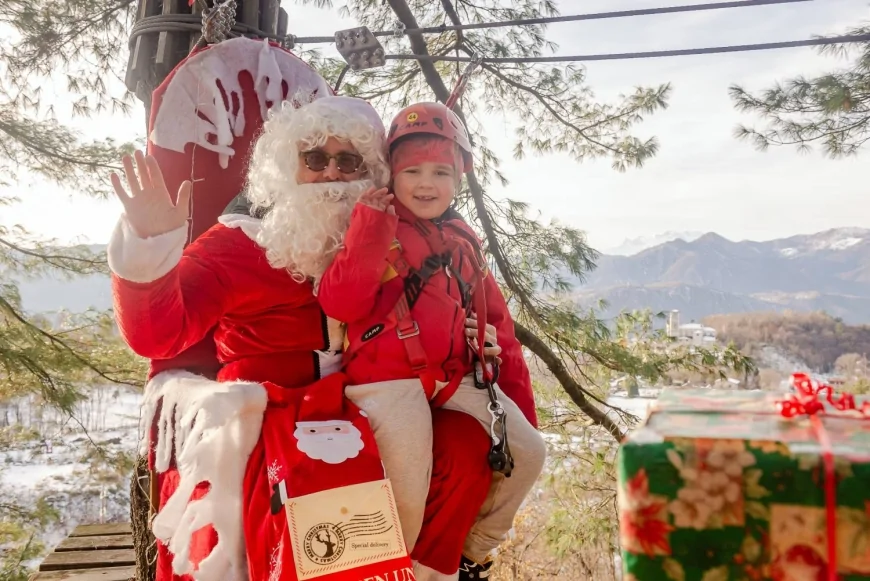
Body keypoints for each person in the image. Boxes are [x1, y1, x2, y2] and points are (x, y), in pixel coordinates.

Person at [108, 86, 496, 581]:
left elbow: (440, 311)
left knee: (464, 447)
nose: (331, 173)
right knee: (319, 479)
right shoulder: (239, 242)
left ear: (372, 174)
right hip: (271, 410)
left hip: (367, 397)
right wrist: (149, 246)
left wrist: (469, 339)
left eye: (349, 161)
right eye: (314, 159)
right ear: (288, 167)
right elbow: (157, 335)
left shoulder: (400, 239)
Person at [317, 101, 547, 579]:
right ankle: (388, 573)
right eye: (413, 171)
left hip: (448, 375)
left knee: (529, 452)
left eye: (441, 172)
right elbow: (340, 303)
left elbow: (478, 314)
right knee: (404, 501)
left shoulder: (460, 238)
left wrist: (479, 348)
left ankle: (475, 549)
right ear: (392, 174)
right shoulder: (376, 222)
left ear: (459, 179)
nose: (426, 183)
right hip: (388, 382)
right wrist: (368, 230)